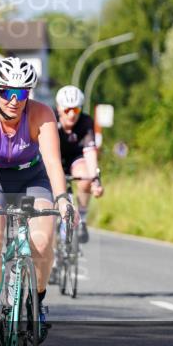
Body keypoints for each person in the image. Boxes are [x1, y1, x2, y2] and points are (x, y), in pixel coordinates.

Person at [0, 57, 75, 346]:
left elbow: (52, 162)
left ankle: (35, 301)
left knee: (44, 237)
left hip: (31, 178)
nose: (14, 100)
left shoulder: (42, 114)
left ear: (30, 94)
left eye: (22, 93)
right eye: (7, 92)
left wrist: (62, 199)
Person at [55, 85, 103, 245]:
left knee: (85, 178)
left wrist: (95, 180)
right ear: (58, 108)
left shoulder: (85, 122)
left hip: (75, 159)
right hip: (54, 158)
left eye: (75, 110)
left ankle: (82, 218)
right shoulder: (50, 119)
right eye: (67, 109)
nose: (71, 114)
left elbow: (90, 153)